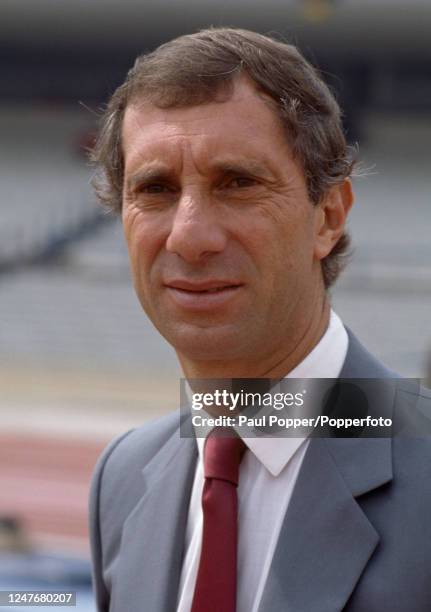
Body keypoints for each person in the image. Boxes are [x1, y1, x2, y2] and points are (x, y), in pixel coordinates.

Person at [88, 28, 431, 612]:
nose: (190, 236)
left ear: (327, 216)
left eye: (238, 183)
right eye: (156, 189)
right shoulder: (121, 478)